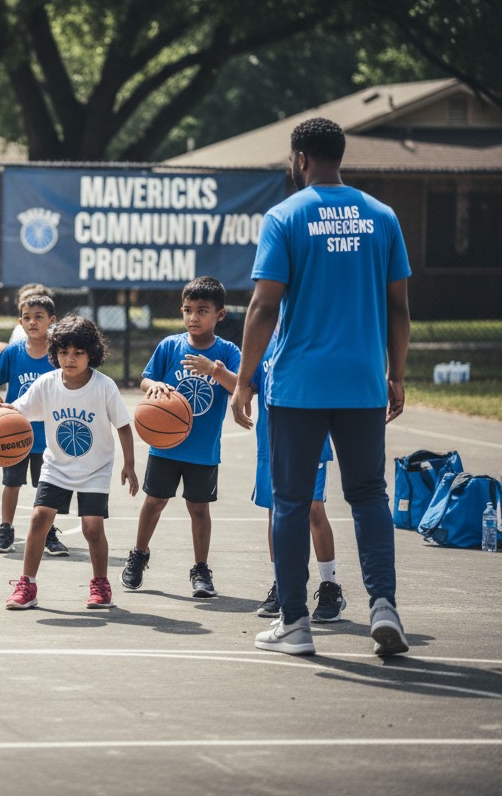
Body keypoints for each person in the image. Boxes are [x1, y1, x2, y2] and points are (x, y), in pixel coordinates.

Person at [232, 117, 412, 657]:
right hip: (362, 382)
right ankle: (384, 605)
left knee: (289, 501)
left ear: (301, 157)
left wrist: (243, 381)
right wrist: (396, 374)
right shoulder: (382, 216)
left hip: (299, 385)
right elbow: (400, 308)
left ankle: (294, 623)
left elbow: (264, 305)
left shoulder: (285, 216)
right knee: (367, 496)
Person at [0, 316, 138, 610]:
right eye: (64, 352)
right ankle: (28, 584)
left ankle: (101, 584)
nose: (70, 359)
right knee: (39, 517)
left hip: (95, 468)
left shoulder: (104, 386)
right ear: (55, 353)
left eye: (78, 353)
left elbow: (123, 425)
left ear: (92, 354)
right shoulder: (47, 383)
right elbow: (18, 410)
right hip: (57, 466)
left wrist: (129, 465)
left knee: (91, 528)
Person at [120, 276, 241, 598]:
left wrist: (214, 370)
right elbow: (146, 380)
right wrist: (153, 387)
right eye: (188, 310)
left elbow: (242, 387)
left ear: (220, 315)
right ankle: (139, 554)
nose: (193, 318)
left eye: (202, 311)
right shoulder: (170, 346)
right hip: (165, 444)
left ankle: (201, 568)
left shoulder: (227, 352)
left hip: (203, 448)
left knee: (198, 508)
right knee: (154, 501)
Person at [0, 293, 65, 556]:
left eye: (39, 317)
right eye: (27, 318)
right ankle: (5, 529)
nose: (32, 322)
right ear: (20, 322)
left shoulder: (59, 355)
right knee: (11, 484)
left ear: (51, 320)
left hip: (48, 435)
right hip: (12, 432)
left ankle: (48, 532)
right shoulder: (13, 353)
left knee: (47, 488)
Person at [251, 339, 345, 622]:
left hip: (310, 440)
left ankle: (331, 587)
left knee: (313, 510)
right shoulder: (263, 345)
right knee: (275, 514)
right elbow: (247, 384)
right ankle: (282, 585)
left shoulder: (314, 340)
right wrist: (218, 373)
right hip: (272, 444)